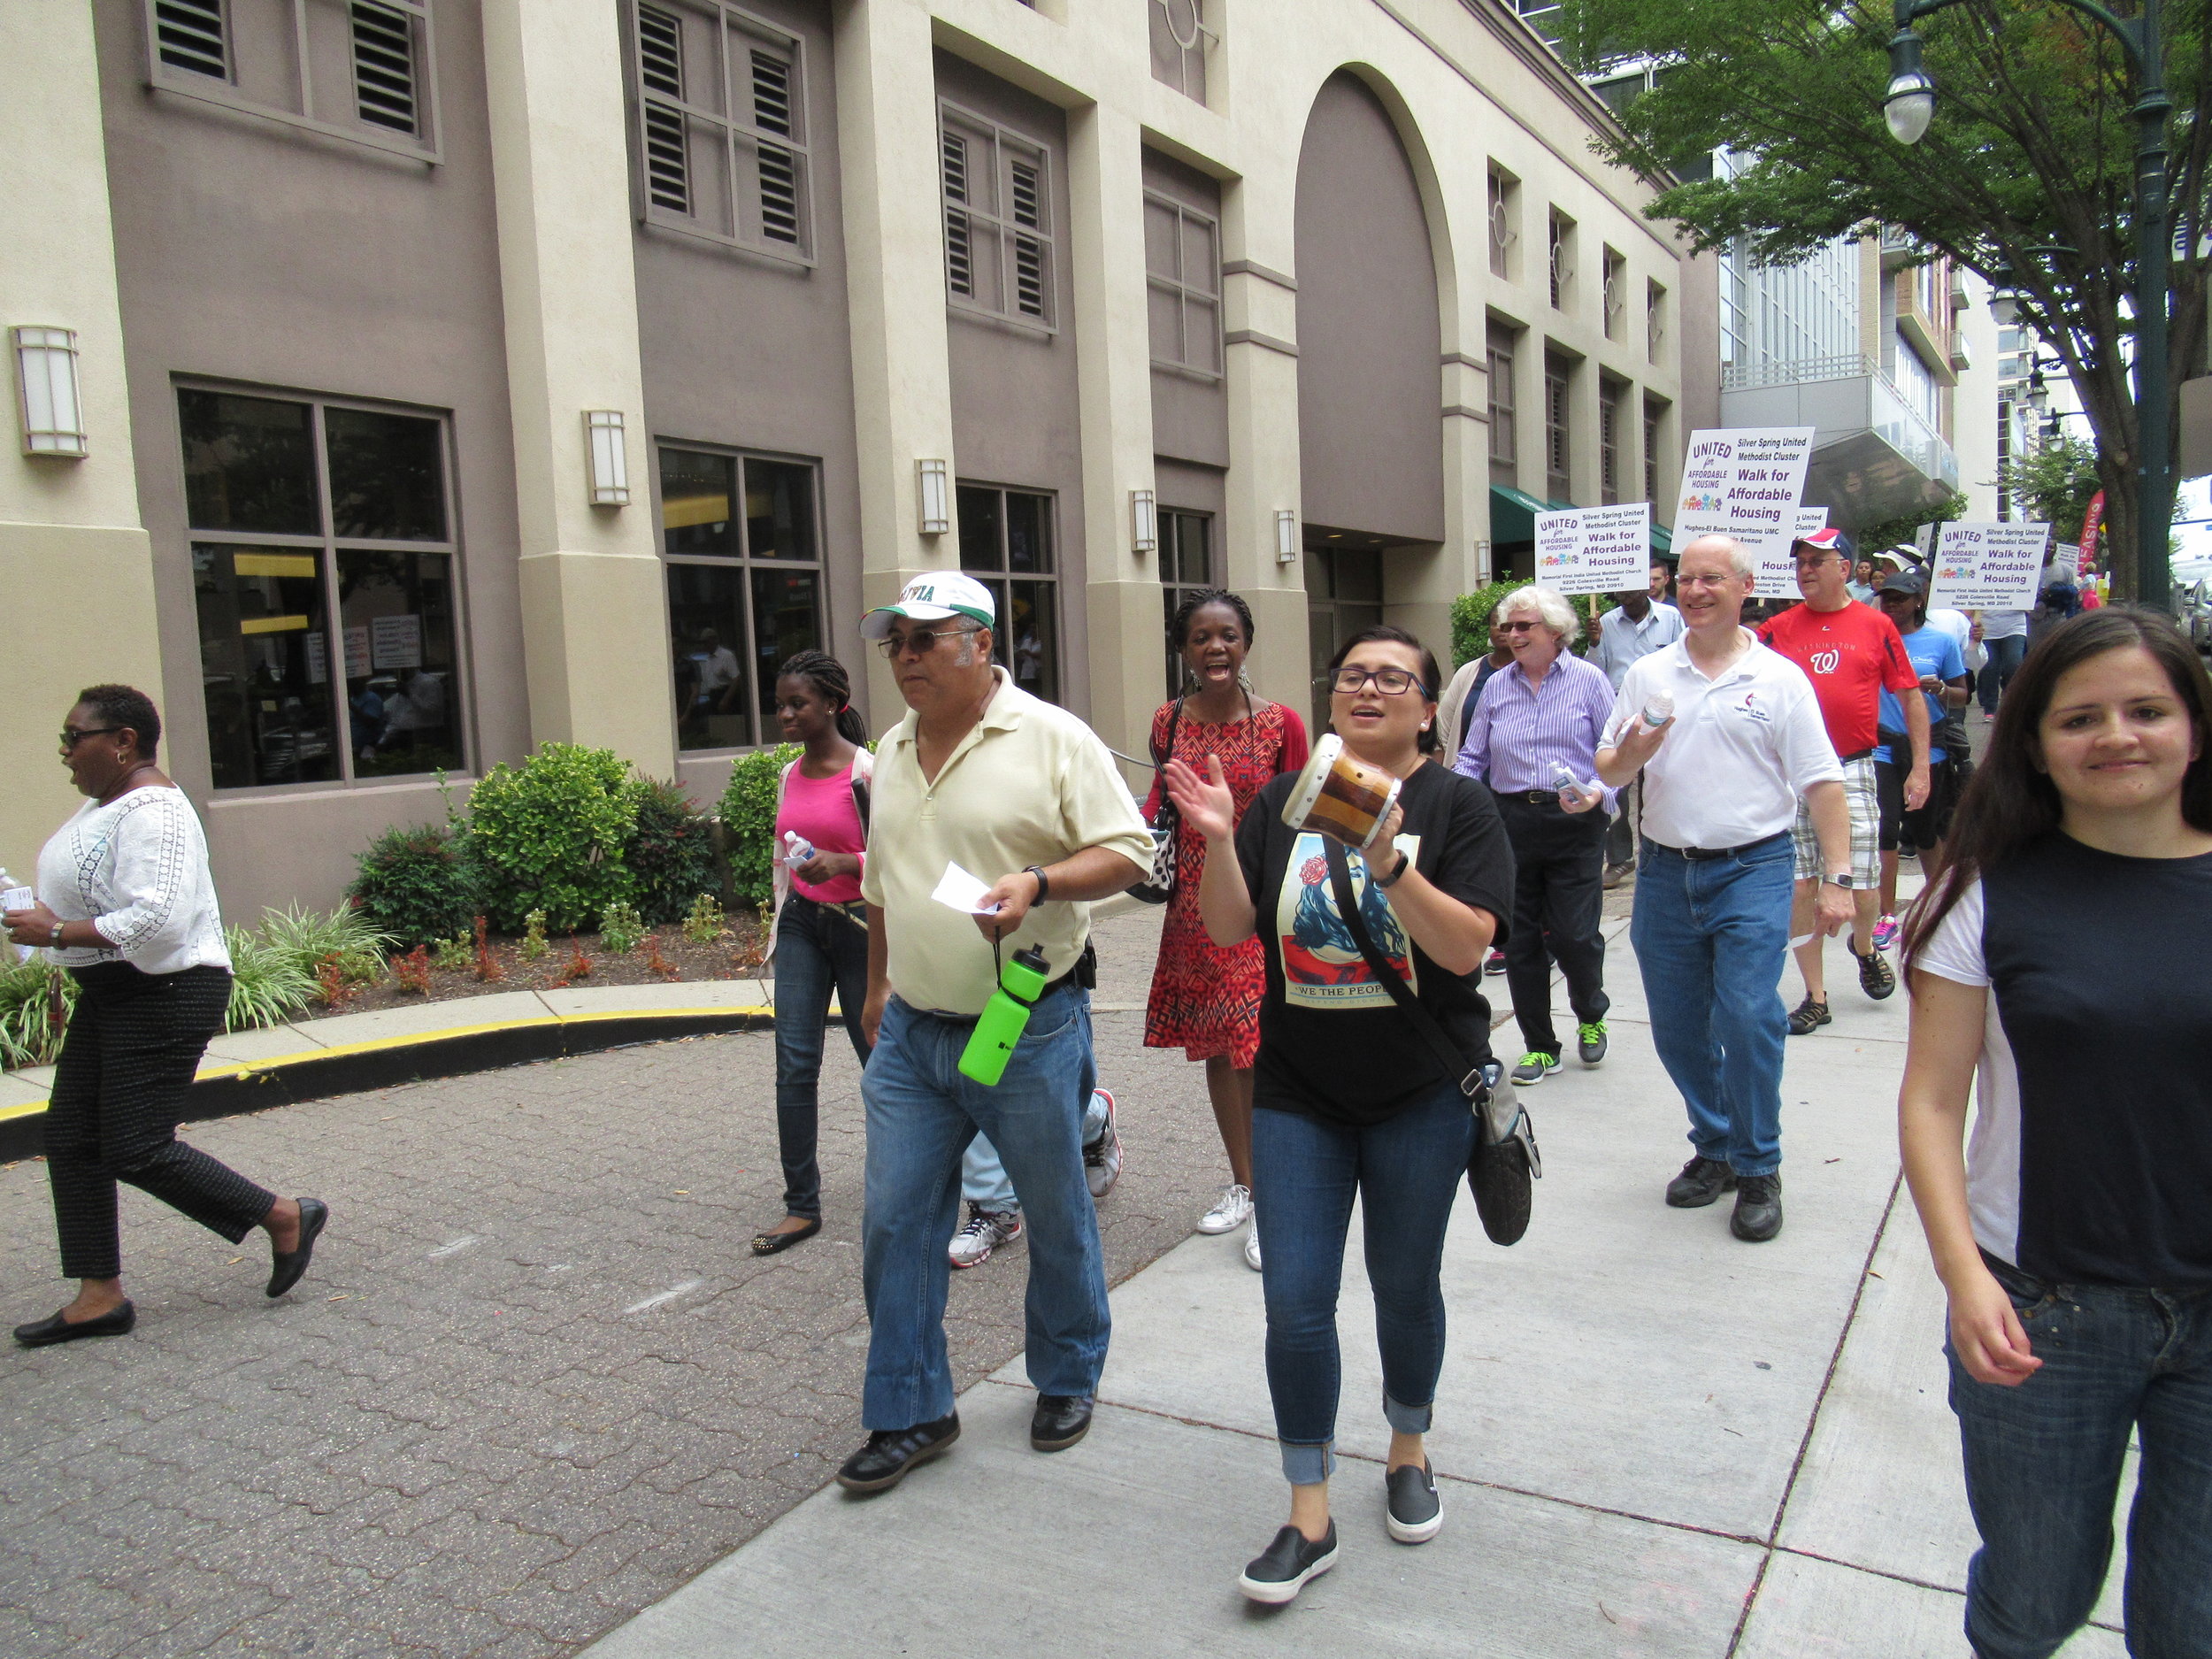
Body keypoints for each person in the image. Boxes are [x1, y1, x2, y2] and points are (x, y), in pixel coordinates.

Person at [1166, 625, 1512, 1604]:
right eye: (1354, 675)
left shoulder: (1457, 805)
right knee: (1295, 1304)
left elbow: (1463, 951)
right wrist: (1224, 842)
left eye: (1392, 678)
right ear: (1331, 699)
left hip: (1418, 1094)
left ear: (1426, 707)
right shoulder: (1281, 799)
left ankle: (1408, 1447)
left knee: (1405, 1289)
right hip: (1298, 1095)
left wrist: (1388, 858)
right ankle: (1306, 1510)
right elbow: (1233, 928)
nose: (1369, 688)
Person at [1897, 609, 2212, 1659]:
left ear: (2194, 728)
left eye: (2146, 711)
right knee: (2034, 1600)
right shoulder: (1981, 898)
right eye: (2080, 718)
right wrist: (1964, 1281)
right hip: (2042, 1314)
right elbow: (1932, 1104)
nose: (2116, 736)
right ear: (2032, 743)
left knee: (2193, 1614)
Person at [836, 573, 1151, 1494]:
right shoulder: (888, 749)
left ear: (978, 642)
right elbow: (884, 879)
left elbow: (1130, 853)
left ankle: (1066, 1374)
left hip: (1026, 1021)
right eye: (894, 641)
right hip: (912, 1038)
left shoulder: (1052, 736)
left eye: (925, 639)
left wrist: (1041, 884)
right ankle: (911, 1411)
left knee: (1053, 1214)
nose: (904, 656)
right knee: (895, 1225)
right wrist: (878, 983)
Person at [6, 687, 326, 1348]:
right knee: (71, 1135)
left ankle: (286, 1216)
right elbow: (89, 899)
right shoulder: (105, 804)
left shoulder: (155, 810)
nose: (64, 753)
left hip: (169, 988)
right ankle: (99, 1295)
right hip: (116, 990)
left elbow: (156, 920)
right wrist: (29, 912)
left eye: (74, 737)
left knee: (135, 1145)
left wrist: (58, 929)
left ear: (122, 740)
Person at [1597, 536, 1855, 1243]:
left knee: (1747, 1016)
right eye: (1685, 578)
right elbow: (1609, 769)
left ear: (1746, 587)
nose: (1694, 590)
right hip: (1667, 872)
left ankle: (1758, 1162)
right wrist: (1632, 754)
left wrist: (1838, 879)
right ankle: (1716, 1144)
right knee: (1678, 1029)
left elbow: (1822, 784)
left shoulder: (1780, 679)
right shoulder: (1649, 673)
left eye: (1711, 578)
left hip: (1753, 868)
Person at [1141, 588, 1309, 1268]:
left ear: (1246, 643)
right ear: (1183, 648)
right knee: (1217, 1046)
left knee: (1254, 1044)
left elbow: (1298, 813)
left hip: (1258, 903)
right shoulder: (1168, 720)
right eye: (1202, 636)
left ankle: (1276, 1197)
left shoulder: (1280, 723)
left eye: (1229, 635)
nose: (1217, 647)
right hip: (1190, 905)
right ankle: (1244, 1183)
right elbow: (1161, 801)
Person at [1755, 526, 1929, 1034]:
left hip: (1852, 765)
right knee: (1801, 883)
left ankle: (1865, 944)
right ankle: (1816, 995)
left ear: (1845, 569)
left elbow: (1911, 697)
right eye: (1800, 561)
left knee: (1861, 882)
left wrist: (1920, 768)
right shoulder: (1776, 628)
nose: (1805, 569)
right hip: (1791, 774)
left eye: (1817, 560)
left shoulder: (1876, 626)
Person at [1455, 585, 1615, 1086]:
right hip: (1510, 823)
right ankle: (1540, 1047)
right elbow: (1471, 757)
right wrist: (1449, 802)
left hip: (1575, 822)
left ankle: (1591, 1013)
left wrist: (1598, 796)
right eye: (1510, 626)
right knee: (1519, 941)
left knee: (1574, 933)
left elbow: (1617, 756)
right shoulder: (1496, 687)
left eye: (1525, 626)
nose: (1514, 634)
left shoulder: (1590, 681)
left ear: (1555, 631)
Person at [752, 651, 875, 1257]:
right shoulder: (789, 774)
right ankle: (801, 1204)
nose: (785, 714)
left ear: (833, 703)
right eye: (780, 704)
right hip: (804, 923)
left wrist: (849, 863)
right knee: (794, 1063)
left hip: (860, 928)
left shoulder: (870, 775)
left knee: (878, 1062)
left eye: (797, 702)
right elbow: (784, 856)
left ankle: (905, 1184)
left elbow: (905, 860)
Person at [1869, 572, 1970, 949]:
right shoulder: (1872, 638)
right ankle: (1886, 915)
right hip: (1882, 746)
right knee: (1887, 829)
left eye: (1900, 599)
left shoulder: (1941, 641)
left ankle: (1940, 905)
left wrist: (1942, 688)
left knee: (1927, 833)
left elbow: (1963, 694)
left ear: (1918, 601)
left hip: (1930, 749)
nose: (1892, 605)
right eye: (1887, 598)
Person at [1590, 569, 1686, 883]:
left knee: (1656, 783)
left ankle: (1654, 852)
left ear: (1646, 587)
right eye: (1620, 593)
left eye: (1631, 591)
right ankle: (1619, 858)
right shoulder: (1605, 624)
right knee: (1615, 787)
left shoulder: (1671, 618)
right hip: (1622, 712)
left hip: (1663, 714)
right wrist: (1593, 643)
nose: (1626, 597)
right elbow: (1596, 670)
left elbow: (1684, 659)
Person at [1437, 611, 1517, 979]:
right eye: (1498, 623)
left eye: (1514, 623)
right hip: (1471, 781)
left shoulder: (1533, 672)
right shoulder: (1470, 673)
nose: (1505, 630)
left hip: (1516, 788)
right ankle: (1495, 939)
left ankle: (1520, 935)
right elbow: (1445, 723)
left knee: (1516, 862)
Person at [1435, 611, 1516, 757]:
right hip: (1467, 774)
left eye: (1509, 624)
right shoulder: (1467, 673)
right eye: (1496, 623)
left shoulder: (1536, 674)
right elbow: (1442, 733)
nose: (1501, 628)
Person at [1975, 603, 2030, 723]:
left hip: (2014, 628)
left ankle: (2013, 704)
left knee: (2014, 663)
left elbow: (2030, 606)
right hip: (1987, 630)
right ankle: (1990, 709)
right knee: (1989, 667)